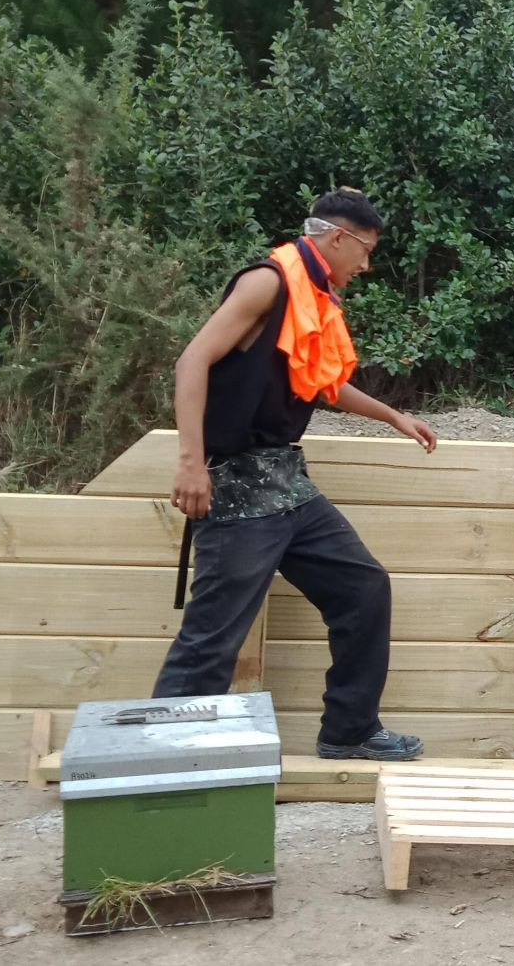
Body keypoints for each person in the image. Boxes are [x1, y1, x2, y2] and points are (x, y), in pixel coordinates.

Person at [153, 187, 437, 762]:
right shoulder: (269, 282)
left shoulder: (313, 297)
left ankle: (349, 732)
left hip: (286, 484)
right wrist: (189, 462)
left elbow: (325, 382)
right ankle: (159, 764)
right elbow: (192, 361)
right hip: (234, 487)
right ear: (339, 238)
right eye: (365, 252)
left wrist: (394, 416)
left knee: (362, 588)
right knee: (213, 637)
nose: (366, 265)